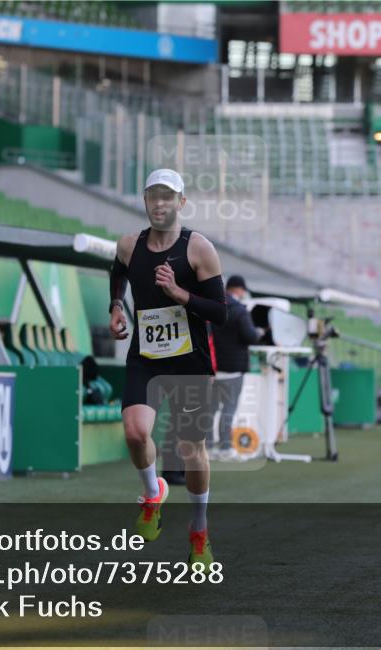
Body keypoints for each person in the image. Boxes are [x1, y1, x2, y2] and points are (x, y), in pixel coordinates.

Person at [109, 168, 227, 571]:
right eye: (152, 196)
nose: (159, 204)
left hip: (190, 361)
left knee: (191, 449)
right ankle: (152, 494)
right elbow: (118, 272)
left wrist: (180, 294)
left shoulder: (199, 250)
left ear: (181, 202)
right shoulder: (129, 245)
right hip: (145, 356)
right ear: (145, 201)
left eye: (167, 197)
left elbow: (221, 313)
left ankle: (199, 531)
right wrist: (115, 306)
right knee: (136, 432)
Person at [210, 275, 262, 461]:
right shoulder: (240, 311)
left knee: (211, 409)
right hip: (233, 369)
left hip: (214, 368)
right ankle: (225, 447)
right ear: (238, 289)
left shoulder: (212, 307)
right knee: (228, 410)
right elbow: (250, 336)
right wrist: (259, 332)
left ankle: (207, 448)